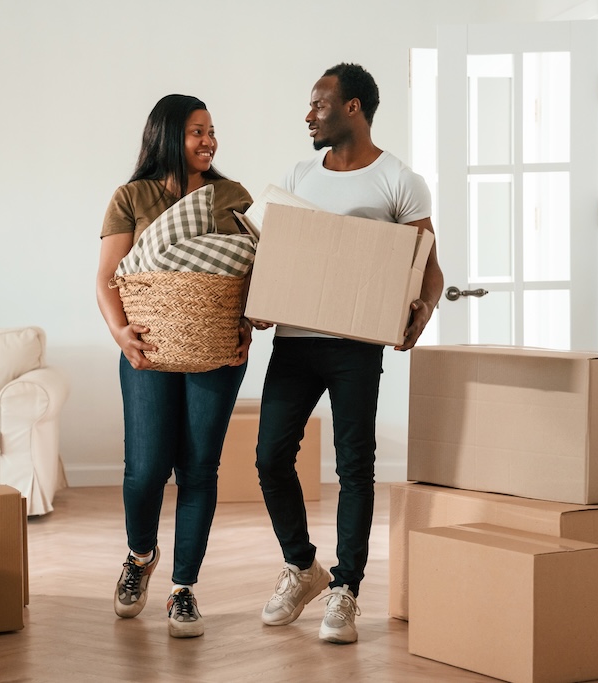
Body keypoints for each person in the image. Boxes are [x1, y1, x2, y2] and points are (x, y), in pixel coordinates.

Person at [253, 63, 444, 644]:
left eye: (319, 105)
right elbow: (276, 259)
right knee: (269, 458)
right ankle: (302, 566)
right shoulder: (298, 174)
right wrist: (260, 299)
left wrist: (420, 313)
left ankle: (346, 589)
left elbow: (429, 270)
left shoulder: (398, 181)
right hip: (294, 341)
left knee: (354, 466)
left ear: (353, 108)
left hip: (355, 348)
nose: (309, 115)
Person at [96, 94, 253, 638]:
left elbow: (249, 271)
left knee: (199, 469)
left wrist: (247, 325)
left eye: (212, 131)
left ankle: (183, 589)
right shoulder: (131, 197)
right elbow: (106, 277)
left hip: (215, 352)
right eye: (196, 132)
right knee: (144, 471)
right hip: (147, 353)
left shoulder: (230, 195)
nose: (209, 141)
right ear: (167, 136)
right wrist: (121, 334)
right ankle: (140, 557)